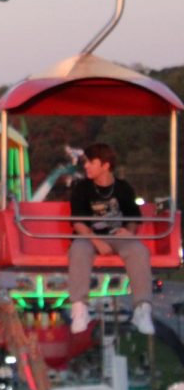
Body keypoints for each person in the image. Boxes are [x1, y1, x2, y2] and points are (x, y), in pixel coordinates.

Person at [67, 143, 155, 335]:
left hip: (116, 234)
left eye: (91, 162)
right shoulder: (82, 188)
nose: (86, 166)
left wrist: (128, 232)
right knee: (78, 250)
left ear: (105, 165)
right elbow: (78, 223)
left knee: (138, 250)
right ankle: (79, 307)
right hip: (89, 236)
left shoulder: (123, 188)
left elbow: (133, 216)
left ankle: (142, 308)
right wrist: (97, 242)